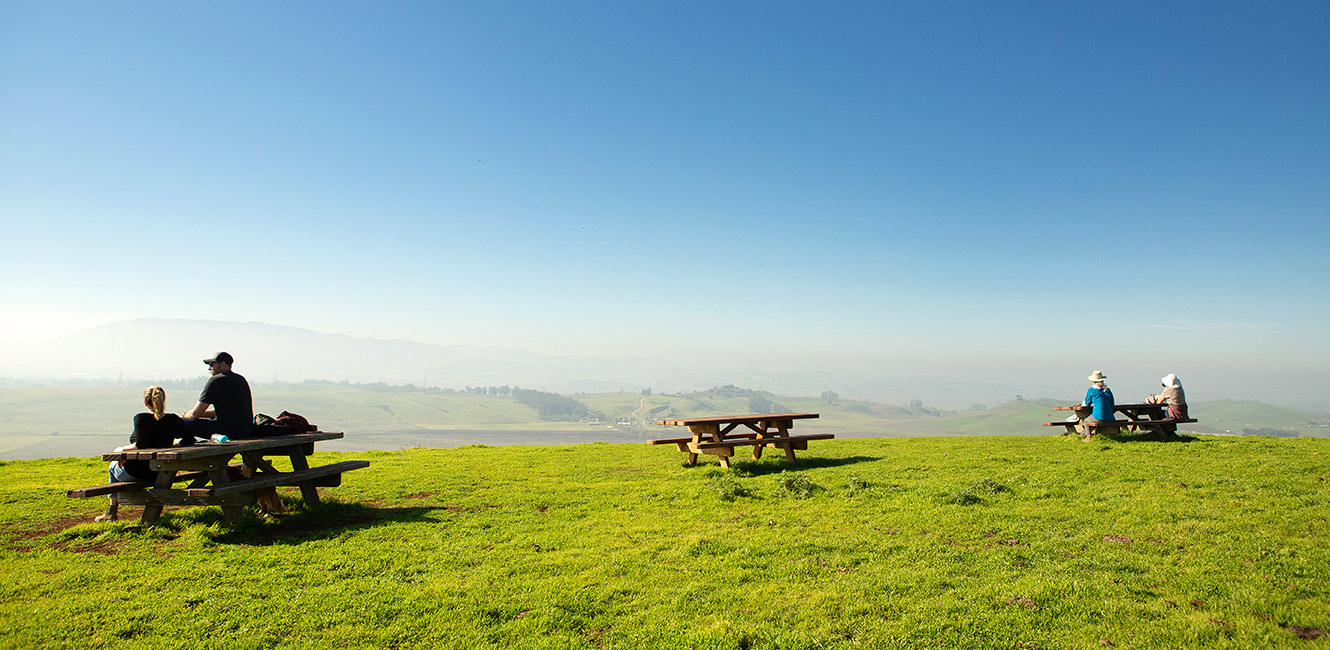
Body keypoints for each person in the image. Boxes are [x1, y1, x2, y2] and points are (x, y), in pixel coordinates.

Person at [96, 386, 193, 522]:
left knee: (112, 467)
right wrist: (172, 444)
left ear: (145, 403)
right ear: (163, 400)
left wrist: (121, 450)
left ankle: (111, 511)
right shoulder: (173, 420)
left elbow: (141, 444)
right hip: (161, 473)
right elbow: (189, 440)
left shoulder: (141, 418)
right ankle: (112, 511)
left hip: (137, 473)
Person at [182, 351, 254, 440]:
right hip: (245, 430)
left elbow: (194, 414)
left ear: (223, 364)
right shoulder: (241, 379)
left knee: (179, 422)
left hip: (226, 432)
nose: (209, 368)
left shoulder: (216, 380)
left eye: (212, 364)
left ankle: (185, 443)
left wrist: (184, 415)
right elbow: (228, 411)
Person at [1079, 370, 1115, 440]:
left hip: (1099, 417)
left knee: (1086, 421)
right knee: (1094, 421)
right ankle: (1083, 434)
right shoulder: (1107, 390)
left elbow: (1087, 403)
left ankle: (1088, 436)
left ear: (1093, 381)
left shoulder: (1092, 390)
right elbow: (1112, 404)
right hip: (1110, 418)